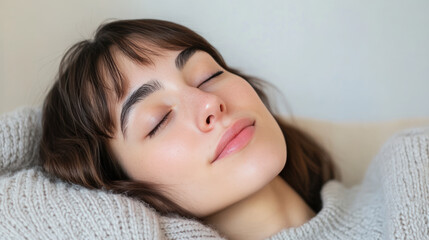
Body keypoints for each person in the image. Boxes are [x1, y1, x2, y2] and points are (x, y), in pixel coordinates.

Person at [39, 19, 429, 239]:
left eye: (208, 75)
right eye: (158, 120)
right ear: (115, 189)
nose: (210, 103)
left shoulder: (411, 175)